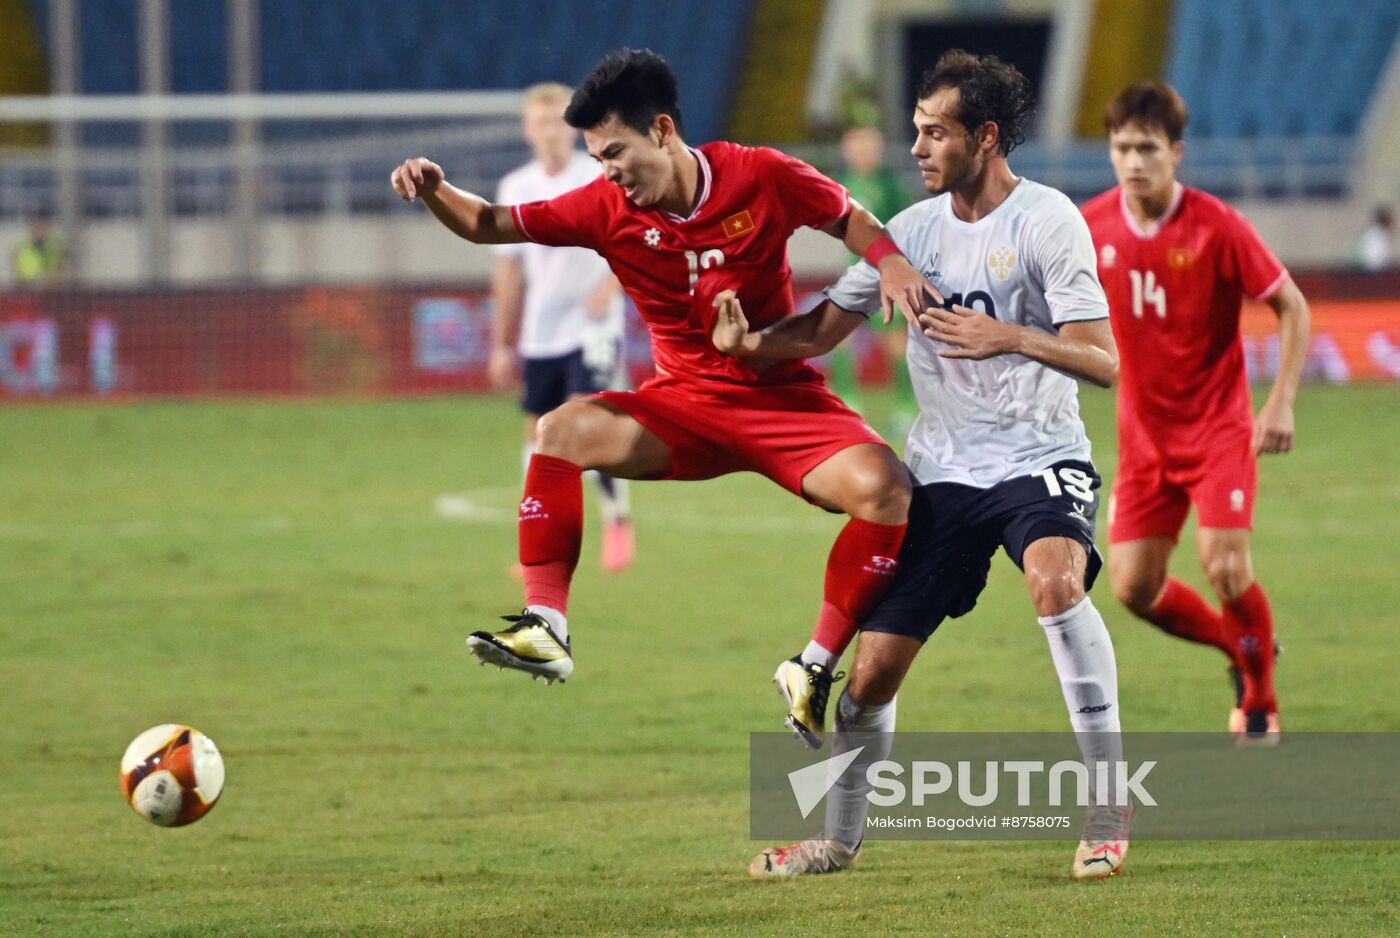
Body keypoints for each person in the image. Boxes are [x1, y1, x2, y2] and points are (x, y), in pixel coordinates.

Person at [391, 49, 939, 747]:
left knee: (889, 492)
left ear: (662, 130)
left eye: (615, 152)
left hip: (783, 403)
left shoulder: (759, 174)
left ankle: (812, 665)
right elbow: (490, 224)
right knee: (558, 431)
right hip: (682, 406)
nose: (608, 171)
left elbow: (847, 217)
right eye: (597, 159)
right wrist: (436, 188)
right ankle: (545, 626)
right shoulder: (603, 205)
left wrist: (890, 261)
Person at [728, 50, 1129, 880]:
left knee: (1055, 580)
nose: (917, 146)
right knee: (869, 675)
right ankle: (837, 840)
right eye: (915, 130)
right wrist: (749, 347)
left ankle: (1106, 808)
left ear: (985, 137)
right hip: (941, 475)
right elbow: (819, 334)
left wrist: (1011, 336)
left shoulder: (1048, 220)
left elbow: (1103, 359)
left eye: (934, 131)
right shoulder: (907, 235)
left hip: (1038, 456)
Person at [1081, 82, 1310, 743]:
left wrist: (1282, 402)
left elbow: (1291, 304)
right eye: (1122, 148)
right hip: (1144, 439)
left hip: (1217, 430)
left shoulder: (1217, 226)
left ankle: (1260, 703)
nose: (1133, 162)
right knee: (1133, 589)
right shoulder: (1088, 225)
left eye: (1147, 148)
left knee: (1226, 565)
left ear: (1176, 152)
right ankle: (1243, 650)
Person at [491, 83, 634, 575]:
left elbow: (636, 241)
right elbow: (509, 270)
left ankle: (617, 518)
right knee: (537, 436)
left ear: (572, 127)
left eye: (558, 120)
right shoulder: (515, 187)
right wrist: (501, 343)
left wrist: (609, 288)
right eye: (540, 122)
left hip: (593, 327)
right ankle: (538, 544)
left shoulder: (600, 176)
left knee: (582, 423)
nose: (550, 131)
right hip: (541, 332)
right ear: (527, 130)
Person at [827, 126, 918, 434]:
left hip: (883, 274)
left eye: (868, 145)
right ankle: (850, 403)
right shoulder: (843, 184)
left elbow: (905, 228)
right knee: (840, 337)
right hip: (854, 273)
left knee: (895, 344)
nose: (862, 151)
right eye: (855, 146)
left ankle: (905, 410)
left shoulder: (889, 184)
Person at [12, 218, 63, 288]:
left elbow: (59, 275)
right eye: (36, 230)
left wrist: (50, 282)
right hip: (28, 290)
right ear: (31, 232)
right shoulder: (22, 250)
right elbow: (17, 274)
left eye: (42, 230)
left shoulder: (54, 250)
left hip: (49, 291)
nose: (39, 234)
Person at [1356, 206, 1394, 272]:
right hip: (1372, 272)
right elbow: (1375, 259)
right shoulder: (1377, 234)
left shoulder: (1380, 234)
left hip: (1375, 270)